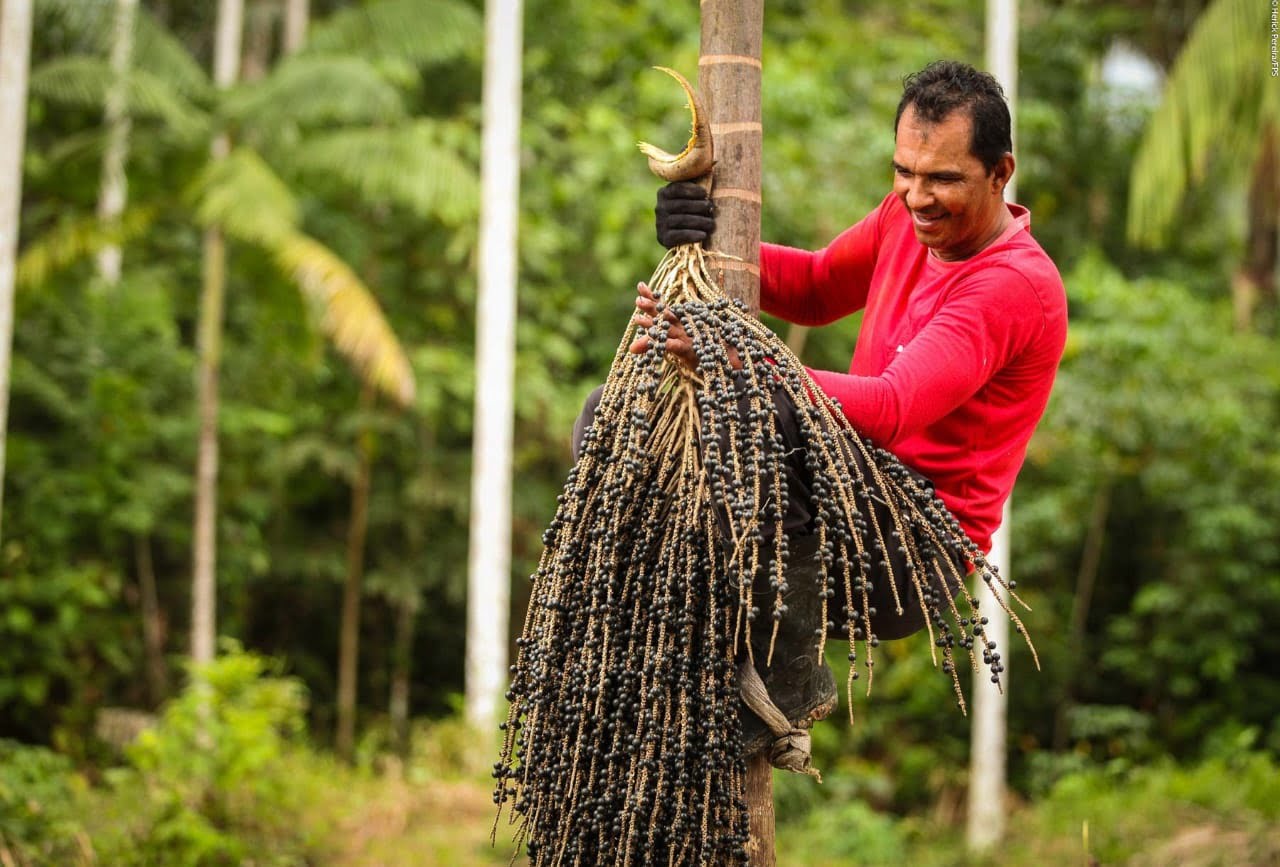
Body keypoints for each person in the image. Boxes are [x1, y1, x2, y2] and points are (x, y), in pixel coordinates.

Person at [581, 60, 1068, 755]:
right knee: (620, 414)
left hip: (905, 553)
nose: (917, 195)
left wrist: (725, 351)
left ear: (1001, 172)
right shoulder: (906, 221)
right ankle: (679, 644)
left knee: (769, 410)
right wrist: (711, 233)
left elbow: (893, 407)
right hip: (834, 502)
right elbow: (812, 286)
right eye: (905, 171)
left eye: (943, 179)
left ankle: (786, 685)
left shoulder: (1014, 287)